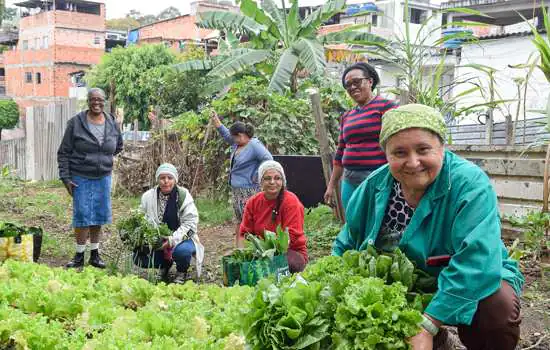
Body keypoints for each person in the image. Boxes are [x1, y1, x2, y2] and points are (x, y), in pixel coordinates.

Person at [332, 104, 524, 350]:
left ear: (442, 148)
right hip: (400, 283)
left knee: (496, 306)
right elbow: (347, 242)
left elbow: (476, 261)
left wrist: (428, 323)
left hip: (463, 276)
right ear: (386, 154)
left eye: (423, 149)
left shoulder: (470, 184)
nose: (413, 163)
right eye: (399, 153)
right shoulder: (374, 186)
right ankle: (438, 342)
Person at [57, 88, 123, 269]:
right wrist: (65, 177)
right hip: (81, 176)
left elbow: (118, 146)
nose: (97, 103)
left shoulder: (111, 122)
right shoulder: (76, 123)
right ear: (88, 101)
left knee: (99, 216)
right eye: (93, 99)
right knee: (82, 216)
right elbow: (63, 152)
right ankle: (79, 255)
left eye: (100, 100)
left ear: (105, 101)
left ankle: (94, 254)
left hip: (103, 177)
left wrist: (104, 160)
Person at [324, 62, 398, 211]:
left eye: (357, 82)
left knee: (377, 225)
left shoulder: (387, 107)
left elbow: (398, 143)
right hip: (350, 179)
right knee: (353, 223)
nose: (352, 87)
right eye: (348, 85)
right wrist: (331, 185)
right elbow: (340, 152)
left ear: (370, 81)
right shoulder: (347, 116)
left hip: (379, 178)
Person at [211, 113, 273, 244]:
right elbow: (227, 136)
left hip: (249, 190)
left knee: (251, 220)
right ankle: (239, 249)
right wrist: (217, 123)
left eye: (235, 137)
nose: (232, 140)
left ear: (241, 135)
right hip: (237, 191)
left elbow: (268, 159)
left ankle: (257, 247)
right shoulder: (238, 144)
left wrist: (257, 175)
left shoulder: (254, 145)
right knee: (240, 220)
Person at [140, 163, 204, 283]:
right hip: (158, 238)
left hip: (183, 237)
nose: (166, 181)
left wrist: (171, 240)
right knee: (140, 252)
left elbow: (191, 224)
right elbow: (141, 217)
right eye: (162, 178)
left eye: (169, 178)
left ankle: (181, 271)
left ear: (175, 180)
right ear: (157, 180)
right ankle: (164, 266)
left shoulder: (183, 196)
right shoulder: (148, 197)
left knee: (182, 252)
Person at [239, 160, 308, 273]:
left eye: (277, 178)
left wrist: (267, 254)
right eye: (267, 178)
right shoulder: (253, 202)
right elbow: (244, 234)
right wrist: (242, 256)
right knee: (243, 268)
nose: (272, 182)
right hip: (260, 252)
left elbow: (292, 237)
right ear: (260, 182)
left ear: (283, 181)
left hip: (290, 252)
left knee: (273, 267)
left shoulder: (291, 202)